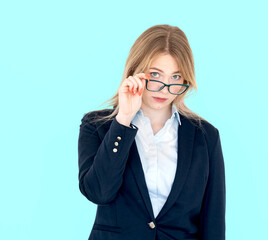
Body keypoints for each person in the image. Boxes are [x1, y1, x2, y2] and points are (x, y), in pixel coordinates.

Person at [78, 24, 225, 240]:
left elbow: (213, 222)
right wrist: (123, 120)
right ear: (135, 72)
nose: (165, 88)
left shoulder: (206, 137)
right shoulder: (97, 126)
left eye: (176, 77)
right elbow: (98, 192)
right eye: (155, 74)